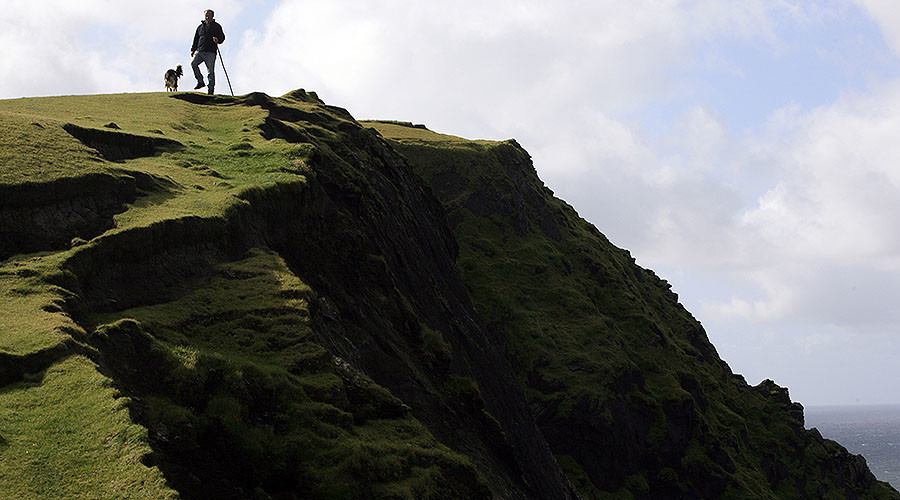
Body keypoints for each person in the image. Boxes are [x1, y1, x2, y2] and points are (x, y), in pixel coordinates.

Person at [190, 9, 225, 95]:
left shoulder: (217, 26)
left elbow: (222, 37)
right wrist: (193, 49)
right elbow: (196, 38)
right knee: (193, 64)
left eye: (209, 15)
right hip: (200, 51)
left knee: (210, 71)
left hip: (210, 52)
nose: (207, 17)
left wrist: (218, 40)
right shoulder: (200, 27)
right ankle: (200, 81)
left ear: (212, 16)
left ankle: (211, 89)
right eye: (206, 15)